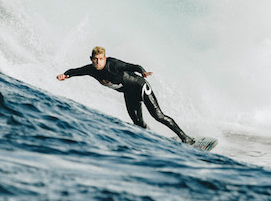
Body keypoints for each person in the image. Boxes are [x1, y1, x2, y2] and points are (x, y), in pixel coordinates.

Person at [57, 46, 195, 145]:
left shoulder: (114, 64)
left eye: (100, 59)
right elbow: (76, 71)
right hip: (129, 93)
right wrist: (66, 75)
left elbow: (133, 66)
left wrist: (143, 72)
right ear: (91, 59)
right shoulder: (91, 69)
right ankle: (153, 141)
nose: (98, 62)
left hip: (140, 86)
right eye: (95, 59)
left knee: (158, 116)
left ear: (104, 58)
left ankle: (186, 138)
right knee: (138, 123)